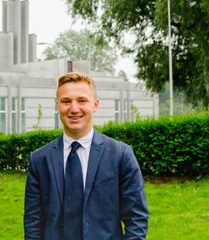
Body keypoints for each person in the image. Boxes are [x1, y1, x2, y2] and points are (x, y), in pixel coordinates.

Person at [24, 72, 149, 240]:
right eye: (66, 101)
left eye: (82, 100)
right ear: (57, 106)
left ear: (95, 105)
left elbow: (137, 218)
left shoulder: (121, 156)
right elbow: (33, 223)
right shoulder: (39, 160)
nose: (74, 109)